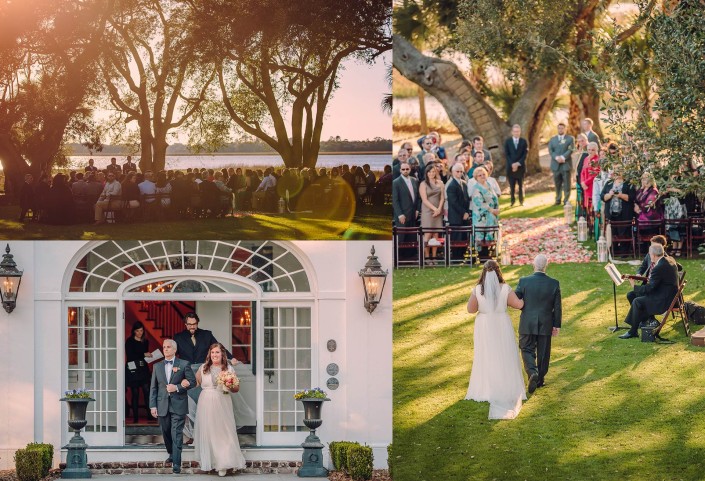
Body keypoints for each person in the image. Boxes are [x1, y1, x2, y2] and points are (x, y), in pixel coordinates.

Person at [465, 260, 526, 419]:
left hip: (484, 325)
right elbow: (519, 305)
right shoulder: (505, 288)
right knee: (504, 355)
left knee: (485, 355)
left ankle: (485, 388)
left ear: (483, 272)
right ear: (498, 272)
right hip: (501, 324)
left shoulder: (478, 289)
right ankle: (505, 386)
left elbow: (471, 310)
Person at [173, 312, 237, 440]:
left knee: (206, 405)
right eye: (189, 324)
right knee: (191, 406)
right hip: (189, 373)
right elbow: (175, 354)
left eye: (194, 324)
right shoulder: (178, 337)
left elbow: (219, 348)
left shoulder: (206, 334)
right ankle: (193, 435)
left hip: (205, 373)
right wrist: (174, 366)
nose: (192, 327)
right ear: (185, 324)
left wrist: (231, 357)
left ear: (197, 323)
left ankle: (210, 434)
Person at [193, 343, 247, 476]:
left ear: (222, 354)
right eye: (212, 353)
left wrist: (228, 384)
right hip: (205, 402)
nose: (215, 355)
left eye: (217, 352)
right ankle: (209, 463)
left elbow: (236, 389)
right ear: (209, 355)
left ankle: (224, 463)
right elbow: (195, 383)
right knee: (208, 432)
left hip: (222, 401)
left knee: (223, 432)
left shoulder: (228, 368)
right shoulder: (203, 368)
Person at [515, 254, 562, 392]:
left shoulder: (524, 281)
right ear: (546, 266)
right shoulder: (554, 283)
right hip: (546, 323)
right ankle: (540, 379)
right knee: (543, 352)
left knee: (526, 348)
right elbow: (557, 307)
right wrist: (556, 325)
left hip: (527, 322)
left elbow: (516, 299)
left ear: (533, 265)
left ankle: (532, 372)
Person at [149, 339, 196, 474]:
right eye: (164, 347)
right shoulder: (157, 366)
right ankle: (171, 452)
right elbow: (154, 388)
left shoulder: (184, 364)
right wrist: (153, 406)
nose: (165, 349)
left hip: (179, 404)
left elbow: (192, 382)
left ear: (174, 350)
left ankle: (177, 463)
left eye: (168, 347)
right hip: (162, 404)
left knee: (176, 433)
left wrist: (177, 387)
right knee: (166, 431)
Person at [619, 244, 679, 339]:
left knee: (637, 301)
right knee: (632, 295)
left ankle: (633, 331)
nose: (649, 256)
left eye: (650, 254)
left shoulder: (658, 267)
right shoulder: (670, 260)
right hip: (668, 294)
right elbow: (656, 282)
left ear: (654, 255)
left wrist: (634, 285)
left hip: (664, 299)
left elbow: (649, 288)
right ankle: (643, 321)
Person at [125, 321, 152, 424]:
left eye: (141, 330)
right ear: (134, 331)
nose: (140, 333)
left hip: (143, 368)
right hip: (132, 369)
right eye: (137, 331)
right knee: (135, 393)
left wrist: (148, 356)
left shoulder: (145, 341)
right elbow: (130, 356)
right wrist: (144, 354)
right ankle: (135, 417)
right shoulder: (129, 341)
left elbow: (143, 357)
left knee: (147, 391)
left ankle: (149, 415)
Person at [469, 167, 500, 254]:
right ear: (476, 177)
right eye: (480, 175)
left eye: (484, 174)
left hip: (491, 216)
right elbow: (479, 202)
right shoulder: (476, 188)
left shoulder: (489, 185)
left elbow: (494, 198)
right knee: (481, 237)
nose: (482, 176)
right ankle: (482, 256)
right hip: (481, 217)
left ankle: (488, 254)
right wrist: (491, 210)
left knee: (490, 236)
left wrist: (496, 209)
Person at [419, 164, 445, 265]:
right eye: (429, 172)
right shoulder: (423, 184)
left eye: (433, 171)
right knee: (428, 233)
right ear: (426, 173)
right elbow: (424, 199)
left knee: (436, 235)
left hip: (438, 210)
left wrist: (439, 209)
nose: (432, 174)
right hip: (427, 211)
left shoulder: (440, 183)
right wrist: (434, 209)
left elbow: (442, 197)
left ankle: (434, 257)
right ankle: (426, 257)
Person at [447, 163, 471, 259]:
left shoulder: (464, 183)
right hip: (455, 216)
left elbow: (466, 200)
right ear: (453, 172)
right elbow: (453, 202)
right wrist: (463, 212)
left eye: (461, 171)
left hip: (464, 215)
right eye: (457, 171)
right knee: (457, 238)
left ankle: (462, 256)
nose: (460, 173)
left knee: (464, 237)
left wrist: (467, 212)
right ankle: (456, 258)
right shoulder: (451, 185)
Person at [548, 123, 575, 205]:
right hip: (555, 165)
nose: (560, 130)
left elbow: (571, 149)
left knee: (567, 184)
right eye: (559, 128)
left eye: (562, 128)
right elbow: (550, 150)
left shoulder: (570, 139)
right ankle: (558, 199)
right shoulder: (553, 139)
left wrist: (563, 157)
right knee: (557, 184)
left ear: (565, 129)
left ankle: (566, 200)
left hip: (565, 164)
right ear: (557, 129)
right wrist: (556, 158)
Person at [504, 125, 527, 207]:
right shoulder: (508, 142)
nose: (516, 133)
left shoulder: (523, 141)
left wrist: (517, 164)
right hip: (510, 168)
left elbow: (525, 154)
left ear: (520, 132)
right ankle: (512, 201)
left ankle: (521, 201)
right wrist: (512, 164)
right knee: (512, 186)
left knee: (521, 186)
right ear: (512, 132)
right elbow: (507, 154)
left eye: (518, 131)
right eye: (515, 131)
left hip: (520, 167)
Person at [392, 161, 420, 229]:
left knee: (413, 238)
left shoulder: (415, 180)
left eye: (407, 169)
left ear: (410, 169)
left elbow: (418, 197)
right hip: (402, 216)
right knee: (402, 237)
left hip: (413, 215)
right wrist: (400, 214)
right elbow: (395, 200)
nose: (405, 171)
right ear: (400, 170)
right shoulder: (395, 182)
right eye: (403, 169)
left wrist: (417, 210)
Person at [579, 142, 600, 212]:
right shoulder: (586, 159)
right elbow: (582, 172)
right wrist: (582, 182)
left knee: (593, 207)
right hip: (585, 187)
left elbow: (595, 174)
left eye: (593, 150)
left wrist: (585, 183)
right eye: (589, 150)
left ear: (596, 150)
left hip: (592, 186)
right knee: (587, 207)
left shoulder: (597, 160)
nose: (590, 151)